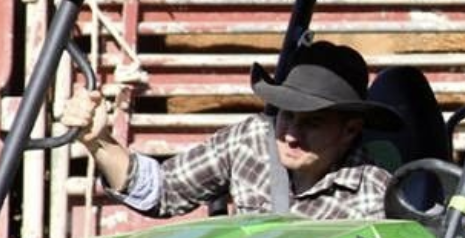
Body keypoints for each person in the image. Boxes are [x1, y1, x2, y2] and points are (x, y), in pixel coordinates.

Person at [61, 39, 394, 221]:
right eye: (287, 116)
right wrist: (99, 141)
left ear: (350, 131)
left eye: (313, 122)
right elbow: (163, 191)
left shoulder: (375, 198)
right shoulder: (250, 140)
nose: (291, 134)